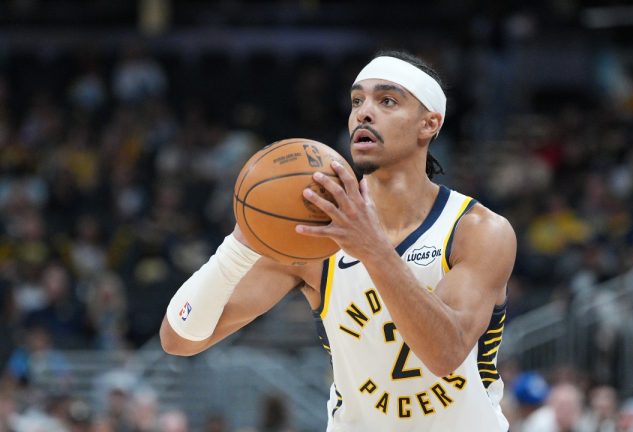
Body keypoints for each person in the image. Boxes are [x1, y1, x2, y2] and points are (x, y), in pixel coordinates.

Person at [159, 50, 517, 431]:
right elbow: (180, 339)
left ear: (429, 124)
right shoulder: (315, 237)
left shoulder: (475, 230)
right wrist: (239, 245)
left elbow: (445, 354)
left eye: (387, 101)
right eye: (357, 100)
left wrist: (373, 249)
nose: (364, 112)